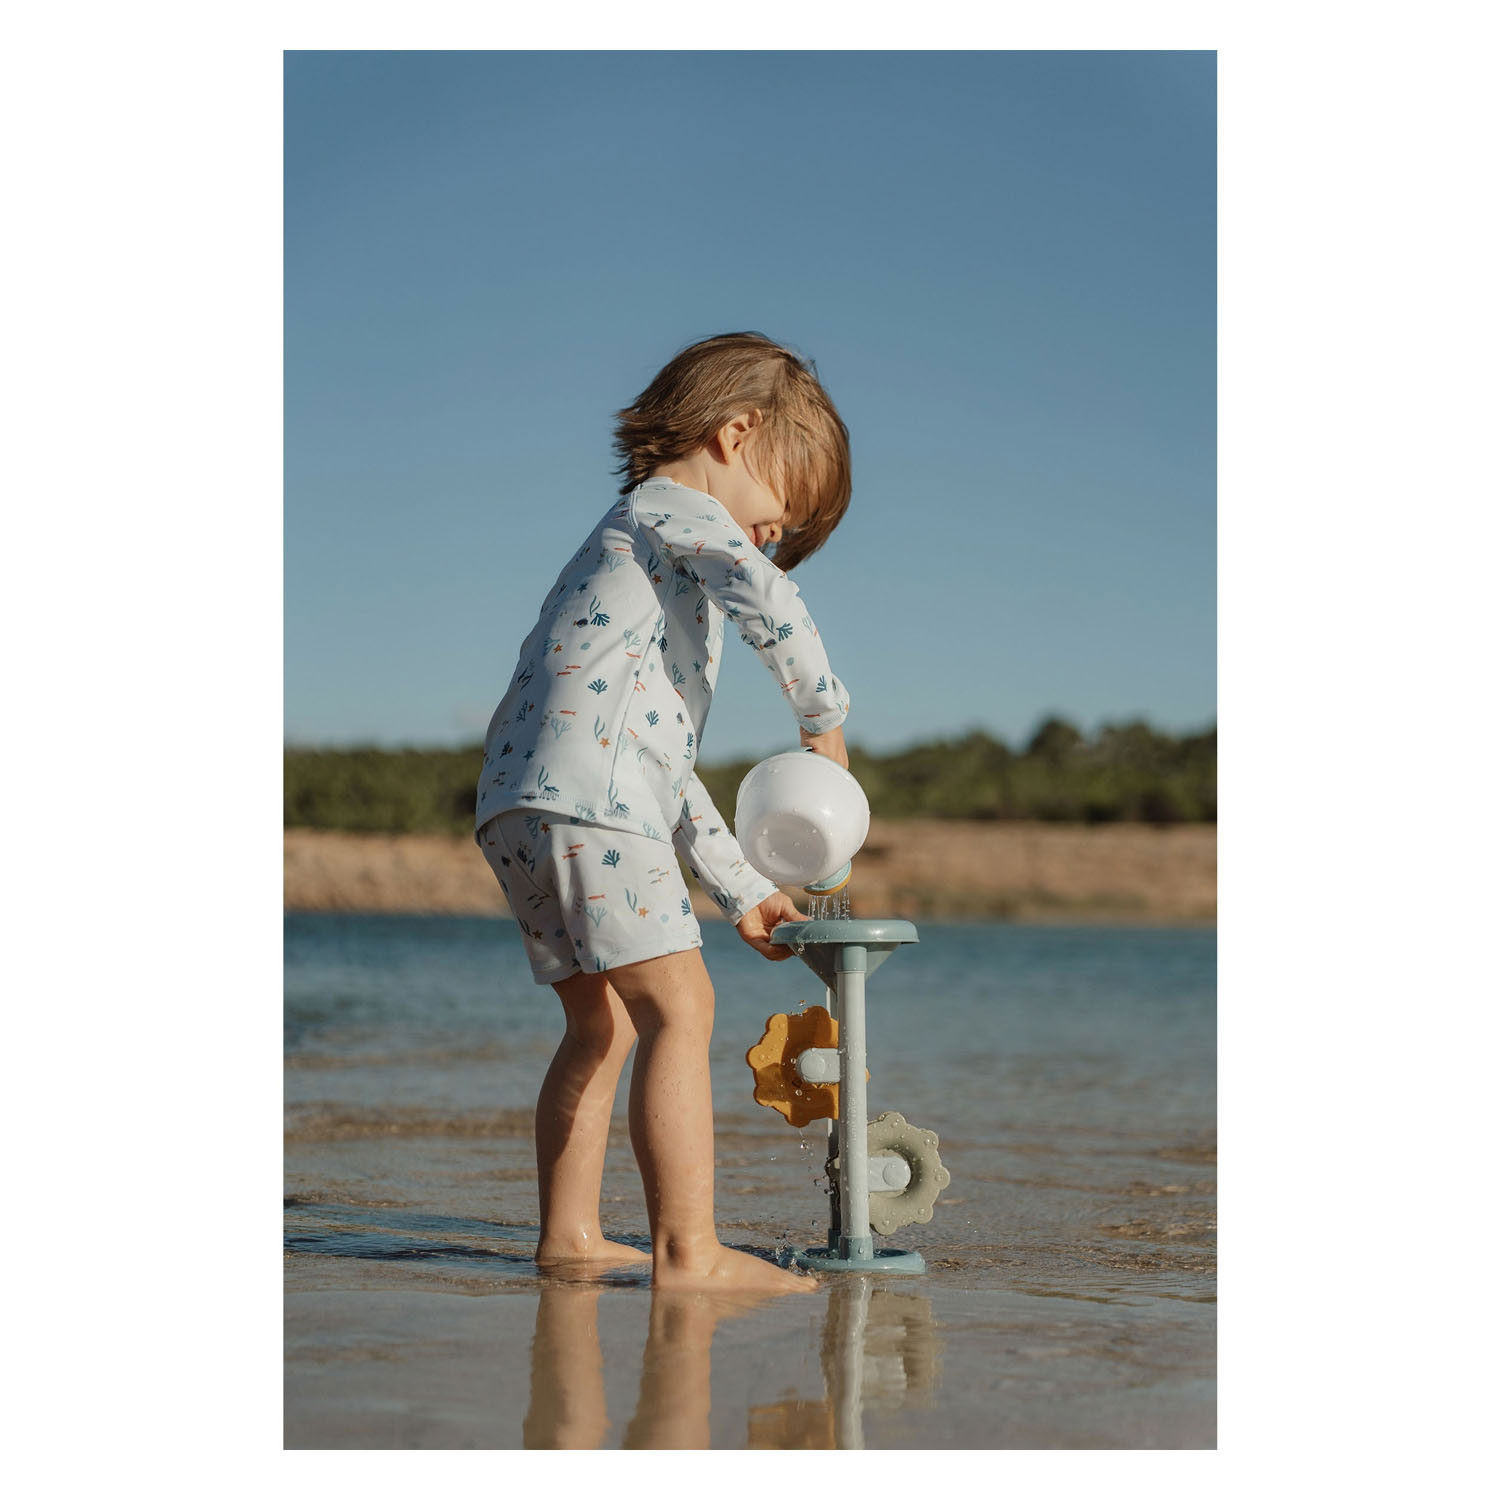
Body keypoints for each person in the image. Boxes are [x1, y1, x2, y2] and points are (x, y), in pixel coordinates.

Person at [476, 332, 852, 1293]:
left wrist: (745, 890)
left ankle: (570, 1236)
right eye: (777, 518)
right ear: (737, 433)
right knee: (682, 1006)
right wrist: (824, 722)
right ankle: (690, 1252)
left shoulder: (628, 565)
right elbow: (770, 601)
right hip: (592, 803)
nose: (767, 543)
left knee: (600, 1024)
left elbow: (661, 773)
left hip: (529, 802)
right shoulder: (673, 509)